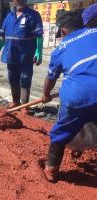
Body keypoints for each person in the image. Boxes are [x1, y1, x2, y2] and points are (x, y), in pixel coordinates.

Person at [42, 11, 97, 182]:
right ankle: (82, 146)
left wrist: (45, 95)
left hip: (78, 95)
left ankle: (51, 170)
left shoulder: (60, 49)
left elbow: (50, 78)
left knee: (61, 131)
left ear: (63, 31)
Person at [0, 0, 43, 109]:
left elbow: (38, 35)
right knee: (12, 77)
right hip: (10, 53)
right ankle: (15, 102)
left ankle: (25, 106)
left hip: (26, 54)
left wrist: (39, 51)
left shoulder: (33, 15)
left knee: (25, 78)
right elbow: (2, 36)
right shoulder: (9, 16)